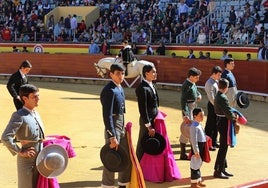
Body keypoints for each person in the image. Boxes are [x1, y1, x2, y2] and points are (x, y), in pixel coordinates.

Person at [135, 64, 181, 182]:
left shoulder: (152, 86)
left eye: (155, 72)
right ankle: (137, 169)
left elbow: (155, 105)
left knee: (155, 144)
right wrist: (148, 125)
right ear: (146, 73)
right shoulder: (142, 88)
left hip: (156, 119)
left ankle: (149, 170)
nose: (156, 74)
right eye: (153, 72)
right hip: (148, 121)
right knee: (143, 143)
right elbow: (143, 109)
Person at [1, 84, 45, 188]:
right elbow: (5, 137)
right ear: (25, 98)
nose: (38, 99)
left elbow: (38, 137)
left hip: (40, 159)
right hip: (27, 162)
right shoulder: (19, 115)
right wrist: (20, 151)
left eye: (38, 96)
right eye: (34, 97)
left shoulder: (36, 114)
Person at [100, 64, 131, 188]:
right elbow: (107, 115)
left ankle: (122, 183)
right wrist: (111, 135)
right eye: (118, 73)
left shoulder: (119, 87)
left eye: (122, 73)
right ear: (111, 74)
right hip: (113, 125)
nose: (121, 76)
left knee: (124, 156)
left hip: (120, 124)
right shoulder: (109, 90)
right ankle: (107, 185)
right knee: (111, 158)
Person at [213, 78, 238, 179]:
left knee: (224, 145)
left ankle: (222, 168)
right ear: (226, 87)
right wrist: (234, 119)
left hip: (221, 120)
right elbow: (227, 111)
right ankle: (218, 170)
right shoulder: (222, 97)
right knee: (223, 146)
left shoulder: (219, 96)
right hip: (224, 122)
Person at [179, 67, 202, 160]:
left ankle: (186, 152)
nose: (198, 79)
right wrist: (186, 115)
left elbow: (195, 90)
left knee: (189, 130)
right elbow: (183, 101)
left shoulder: (191, 83)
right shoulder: (186, 85)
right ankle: (185, 153)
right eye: (196, 77)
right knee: (189, 130)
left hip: (193, 106)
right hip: (189, 108)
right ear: (191, 77)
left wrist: (198, 94)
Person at [204, 66, 222, 151]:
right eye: (218, 75)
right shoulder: (209, 83)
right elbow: (211, 98)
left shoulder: (215, 81)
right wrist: (217, 106)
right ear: (213, 74)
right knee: (210, 125)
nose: (219, 76)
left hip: (216, 105)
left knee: (216, 124)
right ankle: (208, 143)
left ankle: (214, 141)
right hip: (212, 105)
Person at [189, 107, 207, 188]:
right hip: (197, 147)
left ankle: (198, 180)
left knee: (198, 164)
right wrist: (196, 151)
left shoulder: (198, 124)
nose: (202, 117)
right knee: (194, 165)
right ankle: (193, 183)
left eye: (203, 115)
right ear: (195, 116)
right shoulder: (194, 126)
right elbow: (193, 140)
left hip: (201, 146)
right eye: (200, 115)